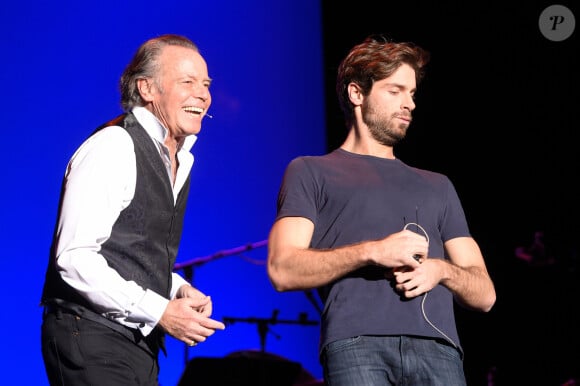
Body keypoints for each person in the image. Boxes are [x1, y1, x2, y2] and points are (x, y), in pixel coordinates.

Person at [267, 35, 496, 386]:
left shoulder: (438, 185)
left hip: (439, 351)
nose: (410, 104)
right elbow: (282, 269)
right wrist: (374, 251)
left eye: (413, 93)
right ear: (356, 94)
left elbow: (485, 295)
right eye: (396, 91)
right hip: (357, 347)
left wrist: (440, 270)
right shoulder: (310, 171)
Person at [40, 34, 226, 386]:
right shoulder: (114, 147)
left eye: (206, 84)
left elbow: (129, 251)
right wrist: (160, 311)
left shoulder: (178, 159)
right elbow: (75, 257)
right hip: (91, 335)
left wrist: (175, 289)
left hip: (137, 344)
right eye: (187, 82)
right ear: (147, 88)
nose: (202, 94)